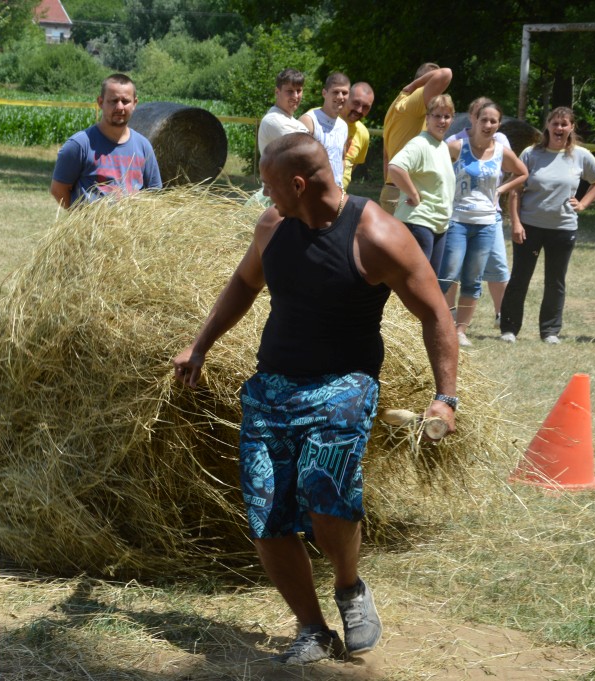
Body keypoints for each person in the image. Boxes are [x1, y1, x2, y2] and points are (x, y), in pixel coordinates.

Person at [172, 133, 458, 665]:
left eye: (270, 184)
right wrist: (200, 344)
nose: (264, 194)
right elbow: (244, 284)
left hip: (344, 385)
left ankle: (349, 587)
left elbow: (435, 313)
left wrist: (446, 397)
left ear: (299, 184)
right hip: (272, 388)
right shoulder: (273, 227)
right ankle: (312, 629)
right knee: (266, 513)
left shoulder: (377, 235)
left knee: (324, 494)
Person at [500, 107, 595, 344]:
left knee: (555, 281)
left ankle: (550, 331)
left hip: (563, 228)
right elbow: (515, 190)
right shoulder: (531, 154)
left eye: (564, 124)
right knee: (520, 278)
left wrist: (583, 203)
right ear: (547, 125)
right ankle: (509, 329)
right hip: (529, 227)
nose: (559, 128)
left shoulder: (581, 155)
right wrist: (516, 223)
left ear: (571, 127)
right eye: (555, 123)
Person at [438, 99, 528, 347]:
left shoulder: (501, 151)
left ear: (498, 124)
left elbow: (522, 172)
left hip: (487, 223)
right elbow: (434, 167)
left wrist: (501, 189)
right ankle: (440, 323)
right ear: (474, 120)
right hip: (457, 220)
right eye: (484, 120)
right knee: (447, 275)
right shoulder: (457, 146)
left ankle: (460, 331)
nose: (488, 125)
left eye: (493, 121)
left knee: (473, 280)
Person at [50, 73, 162, 209]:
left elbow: (154, 193)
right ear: (100, 102)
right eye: (113, 101)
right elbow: (58, 189)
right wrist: (81, 216)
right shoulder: (79, 145)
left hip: (132, 223)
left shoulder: (143, 146)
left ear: (135, 103)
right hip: (93, 223)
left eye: (125, 101)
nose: (120, 107)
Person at [386, 95, 456, 273]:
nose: (442, 121)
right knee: (416, 279)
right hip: (419, 222)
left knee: (430, 280)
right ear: (427, 118)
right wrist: (414, 194)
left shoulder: (442, 146)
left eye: (447, 116)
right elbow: (395, 167)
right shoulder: (420, 144)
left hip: (439, 224)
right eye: (437, 116)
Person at [380, 64, 453, 214]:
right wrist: (414, 85)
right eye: (435, 88)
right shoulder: (413, 103)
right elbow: (445, 74)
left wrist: (390, 188)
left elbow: (386, 157)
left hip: (394, 190)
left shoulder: (399, 104)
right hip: (407, 195)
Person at [299, 72, 351, 187]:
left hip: (336, 191)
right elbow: (297, 160)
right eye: (335, 92)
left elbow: (342, 158)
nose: (340, 97)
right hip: (312, 190)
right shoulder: (309, 121)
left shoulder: (343, 126)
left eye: (344, 93)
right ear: (324, 93)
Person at [258, 69, 310, 155]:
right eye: (290, 91)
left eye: (298, 91)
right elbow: (306, 152)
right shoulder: (273, 120)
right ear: (277, 92)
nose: (295, 96)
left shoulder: (295, 122)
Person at [341, 82, 375, 189]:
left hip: (339, 195)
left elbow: (351, 167)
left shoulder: (363, 133)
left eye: (366, 107)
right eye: (356, 103)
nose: (359, 110)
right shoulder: (319, 118)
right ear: (346, 97)